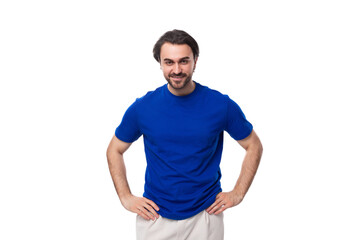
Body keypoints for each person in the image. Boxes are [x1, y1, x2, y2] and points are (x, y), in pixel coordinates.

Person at [106, 29, 263, 240]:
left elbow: (253, 145)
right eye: (169, 62)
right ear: (160, 64)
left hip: (206, 215)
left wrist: (238, 193)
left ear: (195, 62)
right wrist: (125, 197)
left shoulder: (220, 105)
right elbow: (114, 149)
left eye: (184, 61)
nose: (177, 69)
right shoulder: (143, 108)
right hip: (154, 216)